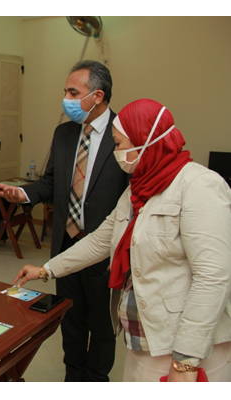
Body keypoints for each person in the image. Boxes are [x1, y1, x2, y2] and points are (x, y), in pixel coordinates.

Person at [13, 99, 231, 382]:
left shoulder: (200, 185)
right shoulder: (137, 189)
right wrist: (46, 270)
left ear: (145, 141)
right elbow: (99, 241)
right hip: (144, 338)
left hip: (186, 348)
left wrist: (186, 360)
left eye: (118, 144)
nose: (116, 152)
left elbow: (212, 277)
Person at [0, 60, 129, 382]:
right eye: (65, 92)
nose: (66, 99)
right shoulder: (64, 133)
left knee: (101, 326)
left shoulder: (123, 133)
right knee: (71, 320)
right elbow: (50, 182)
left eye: (73, 92)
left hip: (105, 250)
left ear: (97, 96)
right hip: (66, 244)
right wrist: (23, 194)